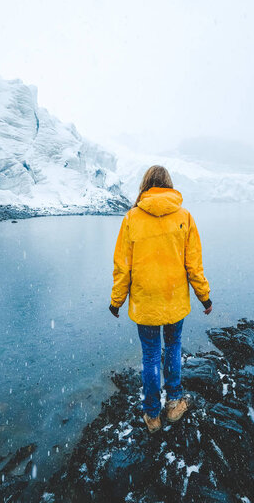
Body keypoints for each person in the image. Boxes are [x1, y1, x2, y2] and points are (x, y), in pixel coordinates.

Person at [109, 165, 212, 433]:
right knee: (174, 347)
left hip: (145, 303)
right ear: (169, 185)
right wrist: (204, 297)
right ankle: (174, 403)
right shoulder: (184, 217)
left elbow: (123, 267)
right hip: (174, 300)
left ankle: (153, 415)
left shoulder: (132, 218)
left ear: (146, 185)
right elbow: (194, 265)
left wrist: (116, 301)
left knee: (151, 356)